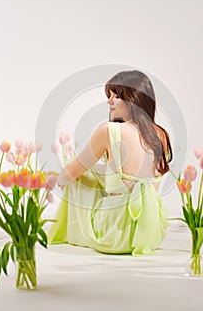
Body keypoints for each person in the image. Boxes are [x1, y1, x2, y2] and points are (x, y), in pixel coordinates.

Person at [48, 70, 173, 256]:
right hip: (150, 231)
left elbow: (68, 175)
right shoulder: (161, 134)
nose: (109, 101)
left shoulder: (109, 130)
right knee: (96, 173)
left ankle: (63, 233)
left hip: (115, 232)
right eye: (109, 96)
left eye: (117, 96)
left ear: (133, 99)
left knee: (77, 178)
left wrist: (54, 179)